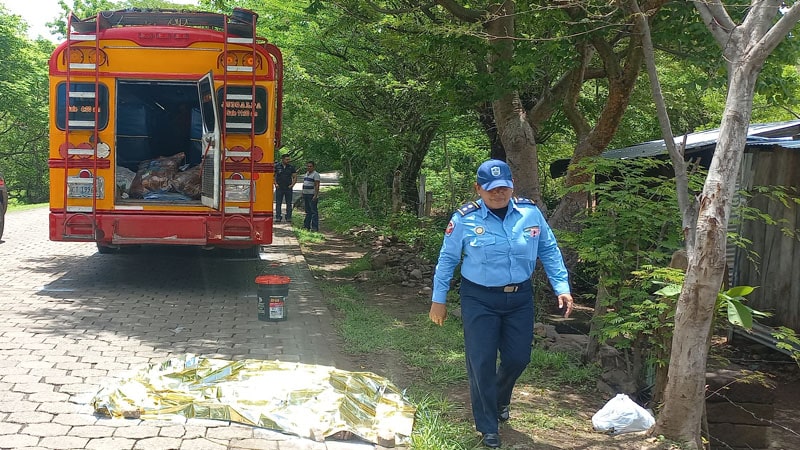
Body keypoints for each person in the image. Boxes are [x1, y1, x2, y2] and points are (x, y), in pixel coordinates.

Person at [429, 159, 574, 449]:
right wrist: (438, 299)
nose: (499, 193)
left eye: (504, 187)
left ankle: (499, 398)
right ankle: (488, 426)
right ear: (478, 189)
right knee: (481, 361)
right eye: (492, 189)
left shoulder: (530, 214)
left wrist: (562, 287)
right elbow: (447, 260)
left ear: (512, 186)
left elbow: (548, 248)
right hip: (479, 298)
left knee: (518, 358)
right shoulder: (464, 219)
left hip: (519, 297)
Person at [274, 154, 297, 223]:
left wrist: (292, 185)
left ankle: (288, 217)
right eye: (286, 159)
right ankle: (278, 217)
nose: (288, 161)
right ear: (283, 159)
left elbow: (295, 176)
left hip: (288, 187)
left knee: (289, 203)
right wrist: (275, 183)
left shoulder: (291, 167)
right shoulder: (277, 166)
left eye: (288, 159)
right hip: (279, 187)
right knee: (278, 203)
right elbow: (273, 176)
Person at [302, 161, 321, 231]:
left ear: (313, 167)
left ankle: (314, 227)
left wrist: (315, 195)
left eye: (310, 166)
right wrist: (302, 193)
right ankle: (306, 226)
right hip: (305, 195)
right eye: (308, 166)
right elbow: (304, 184)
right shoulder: (306, 174)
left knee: (313, 211)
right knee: (307, 211)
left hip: (312, 195)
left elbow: (317, 185)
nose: (309, 167)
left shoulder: (316, 175)